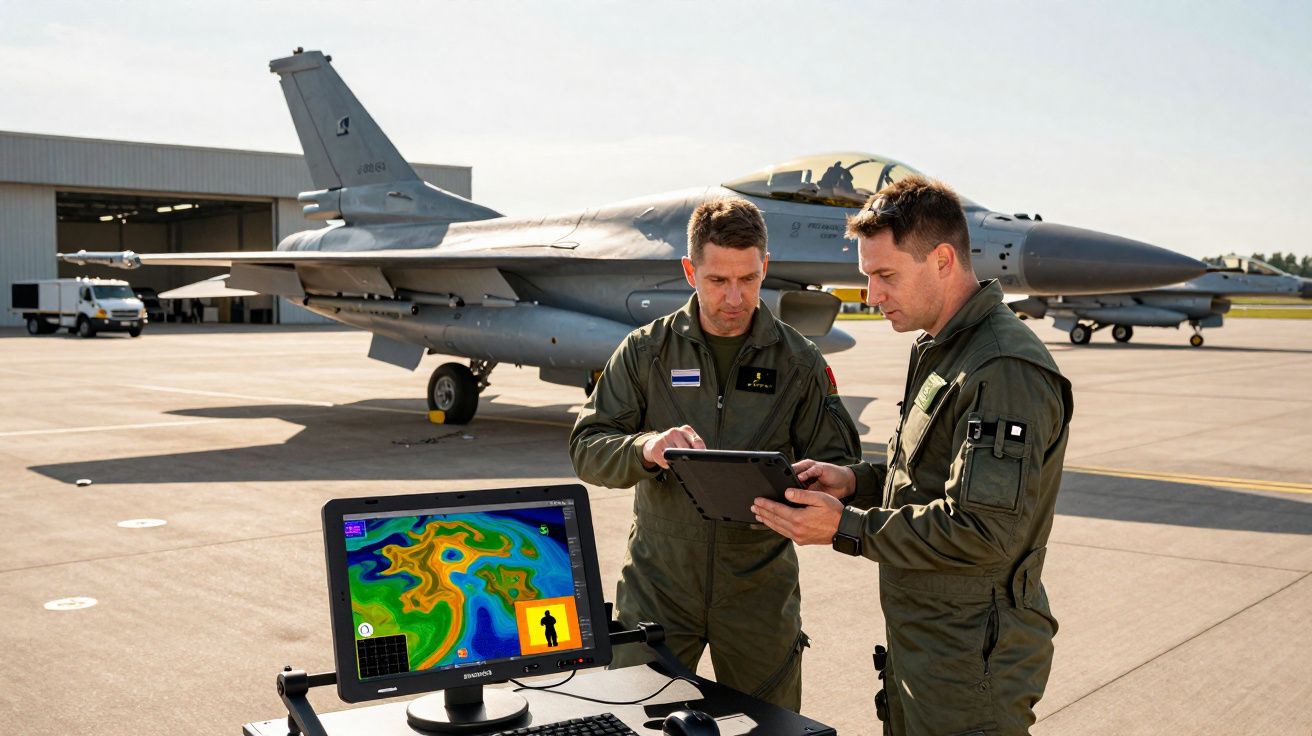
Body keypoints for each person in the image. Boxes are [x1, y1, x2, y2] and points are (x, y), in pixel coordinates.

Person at [751, 175, 1073, 735]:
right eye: (867, 277)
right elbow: (927, 482)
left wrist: (844, 527)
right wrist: (853, 483)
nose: (872, 295)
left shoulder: (1001, 369)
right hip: (930, 643)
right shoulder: (945, 349)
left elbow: (980, 529)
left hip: (970, 660)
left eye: (885, 276)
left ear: (943, 259)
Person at [570, 197, 860, 711]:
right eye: (717, 281)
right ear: (689, 271)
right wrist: (646, 447)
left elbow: (841, 462)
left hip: (758, 594)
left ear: (764, 267)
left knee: (770, 727)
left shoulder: (799, 362)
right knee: (635, 720)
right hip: (658, 587)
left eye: (748, 279)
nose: (734, 297)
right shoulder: (646, 352)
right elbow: (587, 447)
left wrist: (816, 483)